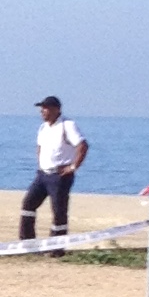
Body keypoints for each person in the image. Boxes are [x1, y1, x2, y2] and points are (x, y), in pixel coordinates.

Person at [19, 96, 88, 246]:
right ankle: (27, 243)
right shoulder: (43, 128)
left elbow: (82, 146)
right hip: (43, 175)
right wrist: (41, 164)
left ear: (56, 109)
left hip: (59, 176)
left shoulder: (67, 125)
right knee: (28, 204)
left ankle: (56, 247)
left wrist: (73, 167)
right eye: (42, 109)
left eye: (46, 108)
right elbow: (40, 147)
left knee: (58, 212)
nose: (42, 112)